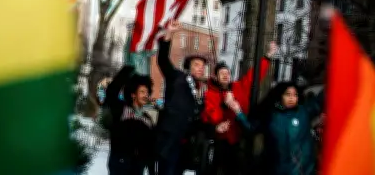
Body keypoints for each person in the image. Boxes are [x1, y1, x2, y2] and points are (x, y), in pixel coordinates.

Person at [201, 43, 274, 175]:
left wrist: (267, 57)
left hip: (240, 138)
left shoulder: (239, 87)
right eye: (221, 73)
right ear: (215, 77)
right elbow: (210, 116)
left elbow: (254, 75)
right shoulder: (210, 94)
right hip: (220, 141)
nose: (225, 75)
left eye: (227, 73)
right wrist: (224, 105)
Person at [225, 82, 323, 175]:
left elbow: (321, 100)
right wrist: (238, 111)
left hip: (302, 170)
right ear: (280, 96)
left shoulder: (304, 112)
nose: (291, 98)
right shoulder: (271, 116)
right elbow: (251, 128)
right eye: (288, 94)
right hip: (277, 169)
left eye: (295, 95)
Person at [154, 20, 208, 175]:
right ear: (188, 66)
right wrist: (169, 33)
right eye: (196, 64)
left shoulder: (201, 90)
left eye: (202, 66)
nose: (201, 68)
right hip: (169, 142)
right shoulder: (177, 77)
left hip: (185, 146)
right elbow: (162, 60)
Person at [105, 65, 156, 175]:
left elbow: (150, 148)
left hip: (137, 168)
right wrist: (125, 72)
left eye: (147, 92)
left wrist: (152, 171)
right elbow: (111, 93)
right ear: (133, 94)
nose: (145, 95)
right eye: (142, 92)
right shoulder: (122, 110)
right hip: (119, 164)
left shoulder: (147, 120)